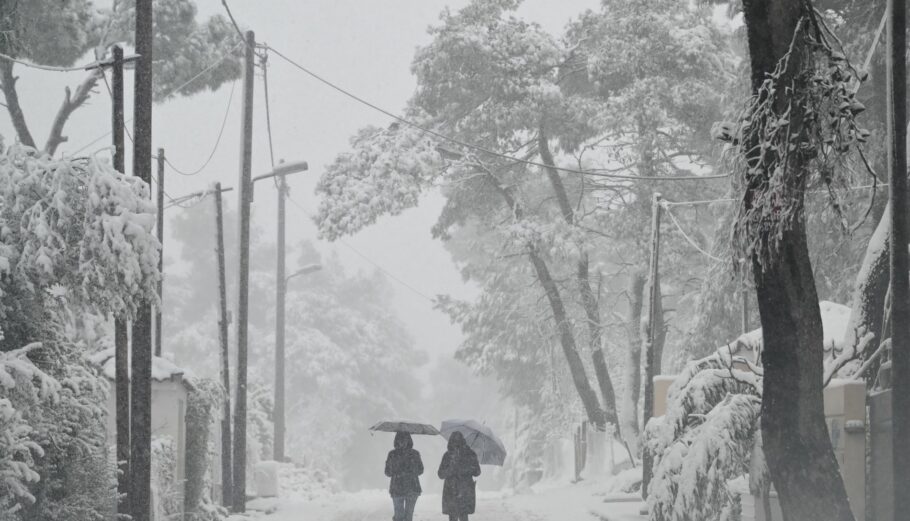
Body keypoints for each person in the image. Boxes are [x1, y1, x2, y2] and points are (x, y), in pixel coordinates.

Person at [437, 431, 481, 521]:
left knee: (463, 516)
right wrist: (451, 470)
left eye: (458, 441)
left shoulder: (469, 454)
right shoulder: (448, 455)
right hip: (451, 491)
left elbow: (477, 471)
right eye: (454, 441)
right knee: (453, 517)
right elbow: (440, 474)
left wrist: (465, 469)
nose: (456, 444)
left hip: (464, 491)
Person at [384, 432, 423, 521]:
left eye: (404, 439)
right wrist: (398, 470)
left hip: (410, 489)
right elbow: (387, 472)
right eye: (400, 439)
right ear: (396, 441)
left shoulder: (414, 454)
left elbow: (421, 470)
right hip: (401, 489)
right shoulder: (392, 454)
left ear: (408, 440)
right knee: (400, 516)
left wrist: (409, 470)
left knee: (407, 516)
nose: (402, 442)